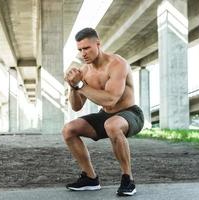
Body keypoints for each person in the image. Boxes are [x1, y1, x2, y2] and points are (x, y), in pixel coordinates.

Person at [63, 27, 144, 196]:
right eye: (80, 49)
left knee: (112, 125)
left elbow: (110, 99)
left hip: (130, 114)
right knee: (69, 129)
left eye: (86, 48)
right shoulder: (84, 71)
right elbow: (76, 106)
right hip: (106, 116)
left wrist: (81, 86)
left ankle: (128, 179)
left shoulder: (117, 64)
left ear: (98, 44)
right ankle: (90, 178)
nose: (83, 53)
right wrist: (73, 87)